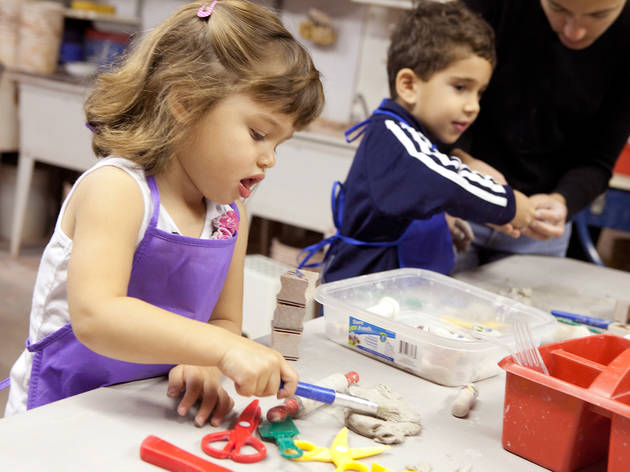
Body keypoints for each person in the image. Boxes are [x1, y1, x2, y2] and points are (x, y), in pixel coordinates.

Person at [3, 0, 324, 423]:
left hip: (149, 409)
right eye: (258, 134)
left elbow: (223, 320)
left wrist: (207, 360)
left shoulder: (230, 216)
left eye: (278, 144)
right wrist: (223, 349)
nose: (269, 160)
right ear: (186, 103)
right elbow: (97, 315)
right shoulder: (117, 189)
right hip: (61, 409)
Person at [299, 0, 534, 283]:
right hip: (365, 302)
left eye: (479, 93)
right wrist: (510, 204)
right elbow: (446, 183)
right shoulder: (394, 137)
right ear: (408, 85)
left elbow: (421, 194)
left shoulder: (413, 136)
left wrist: (446, 215)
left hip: (403, 298)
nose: (473, 106)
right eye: (461, 88)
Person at [453, 0, 630, 269]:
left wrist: (562, 201)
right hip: (454, 206)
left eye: (598, 15)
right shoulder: (488, 6)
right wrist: (461, 162)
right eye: (559, 9)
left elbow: (599, 157)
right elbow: (429, 101)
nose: (575, 32)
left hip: (538, 233)